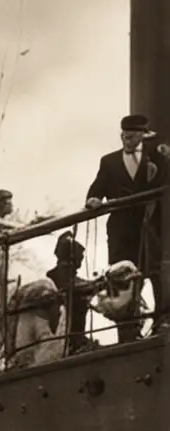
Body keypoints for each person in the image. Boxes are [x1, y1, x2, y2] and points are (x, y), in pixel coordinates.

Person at [85, 114, 164, 337]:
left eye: (131, 136)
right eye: (124, 136)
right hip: (121, 230)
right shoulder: (109, 161)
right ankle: (127, 330)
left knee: (154, 272)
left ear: (142, 136)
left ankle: (160, 321)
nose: (126, 140)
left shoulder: (157, 159)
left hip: (150, 228)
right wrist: (93, 199)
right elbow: (97, 187)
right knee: (122, 279)